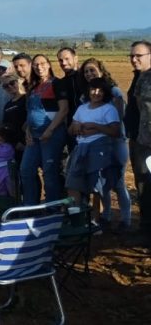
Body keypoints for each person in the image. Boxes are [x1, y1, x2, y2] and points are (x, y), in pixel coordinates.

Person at [80, 57, 131, 232]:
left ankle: (126, 219)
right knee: (104, 182)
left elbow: (118, 118)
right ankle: (106, 216)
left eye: (92, 70)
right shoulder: (86, 95)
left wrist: (95, 128)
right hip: (98, 145)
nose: (89, 74)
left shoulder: (114, 92)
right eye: (86, 71)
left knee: (118, 182)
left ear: (101, 70)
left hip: (116, 142)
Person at [65, 77, 121, 224]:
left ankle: (95, 222)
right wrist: (76, 127)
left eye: (100, 90)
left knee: (96, 189)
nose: (96, 93)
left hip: (99, 149)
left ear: (105, 93)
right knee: (73, 185)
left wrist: (95, 126)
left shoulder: (109, 109)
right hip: (81, 148)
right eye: (93, 89)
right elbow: (71, 130)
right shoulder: (82, 108)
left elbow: (115, 131)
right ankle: (76, 219)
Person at [20, 54, 70, 205]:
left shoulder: (57, 84)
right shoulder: (33, 87)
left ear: (49, 64)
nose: (39, 67)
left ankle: (52, 207)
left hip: (52, 135)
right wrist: (28, 130)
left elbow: (64, 110)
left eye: (42, 63)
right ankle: (30, 205)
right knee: (26, 170)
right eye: (36, 64)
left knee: (49, 172)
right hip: (34, 136)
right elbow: (30, 111)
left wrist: (50, 130)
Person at [127, 40, 151, 246]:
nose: (134, 59)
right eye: (131, 56)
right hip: (143, 142)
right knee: (143, 186)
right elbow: (138, 109)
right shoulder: (141, 79)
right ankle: (146, 229)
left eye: (139, 56)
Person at [56, 47, 85, 150]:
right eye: (60, 60)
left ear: (76, 59)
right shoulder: (60, 83)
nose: (63, 63)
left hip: (89, 128)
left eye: (67, 59)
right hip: (71, 129)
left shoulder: (86, 78)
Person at [0, 74, 28, 163]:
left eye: (12, 83)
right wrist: (14, 143)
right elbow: (7, 126)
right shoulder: (8, 105)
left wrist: (23, 142)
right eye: (5, 86)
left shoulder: (27, 98)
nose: (10, 86)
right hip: (15, 144)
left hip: (29, 141)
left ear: (18, 81)